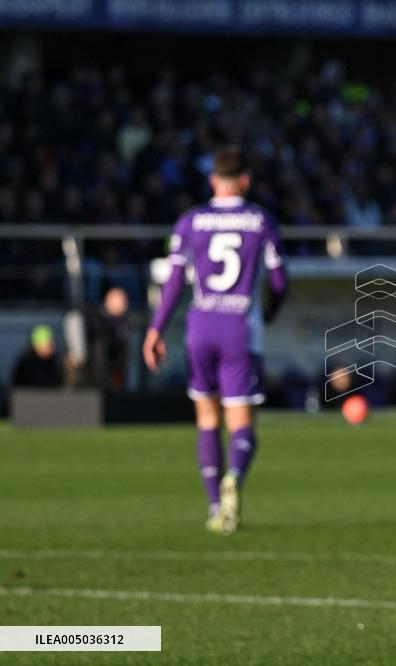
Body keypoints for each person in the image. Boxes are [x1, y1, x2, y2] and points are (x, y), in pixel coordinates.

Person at [143, 147, 288, 535]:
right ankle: (234, 479)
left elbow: (173, 281)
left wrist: (156, 329)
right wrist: (272, 309)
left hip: (200, 325)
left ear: (213, 180)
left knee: (207, 418)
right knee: (241, 421)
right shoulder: (260, 220)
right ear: (245, 180)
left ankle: (213, 506)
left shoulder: (191, 221)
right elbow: (279, 279)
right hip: (239, 326)